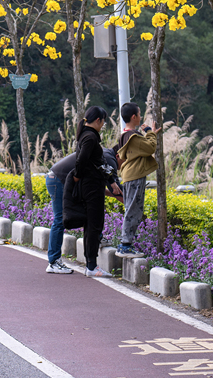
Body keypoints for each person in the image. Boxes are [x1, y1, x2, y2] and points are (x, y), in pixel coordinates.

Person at [46, 148, 123, 274]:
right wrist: (131, 205)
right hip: (58, 180)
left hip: (57, 179)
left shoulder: (103, 155)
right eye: (125, 161)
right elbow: (116, 189)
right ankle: (53, 262)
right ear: (118, 155)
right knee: (60, 219)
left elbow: (98, 189)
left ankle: (97, 238)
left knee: (87, 212)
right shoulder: (109, 159)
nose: (123, 166)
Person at [74, 106, 120, 278]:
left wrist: (111, 182)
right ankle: (92, 266)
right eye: (103, 122)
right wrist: (78, 176)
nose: (103, 125)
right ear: (99, 120)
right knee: (94, 225)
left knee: (91, 225)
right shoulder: (90, 137)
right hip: (91, 187)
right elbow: (82, 160)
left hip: (92, 185)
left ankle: (90, 264)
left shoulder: (87, 136)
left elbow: (98, 163)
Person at [115, 102, 160, 258]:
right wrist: (150, 132)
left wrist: (150, 134)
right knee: (133, 210)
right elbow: (150, 148)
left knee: (131, 208)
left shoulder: (125, 135)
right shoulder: (132, 137)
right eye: (139, 114)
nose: (141, 117)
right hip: (134, 176)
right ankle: (125, 245)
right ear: (134, 117)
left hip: (129, 176)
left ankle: (125, 244)